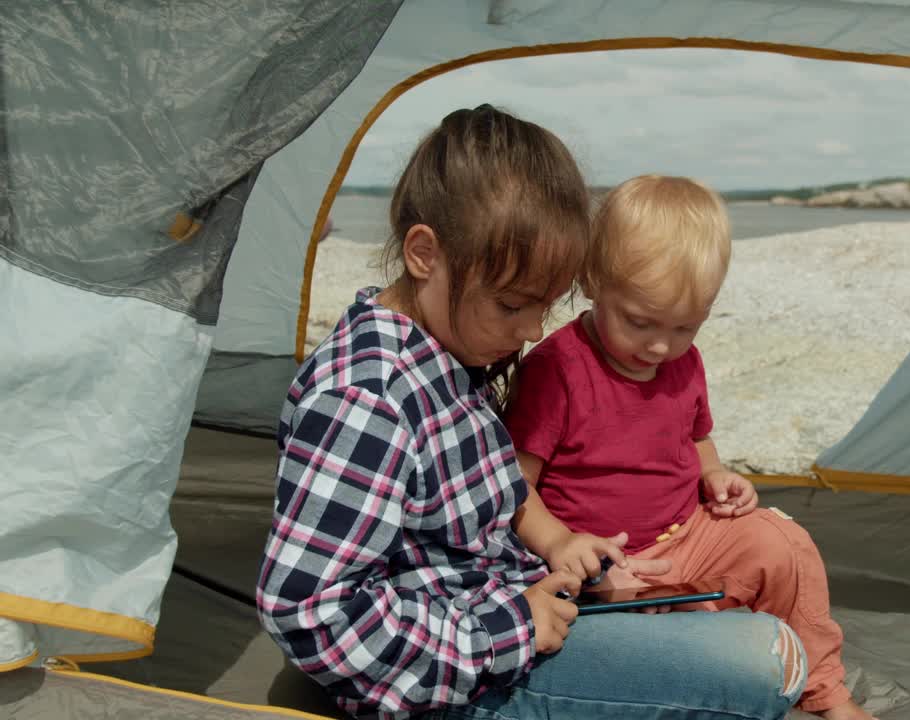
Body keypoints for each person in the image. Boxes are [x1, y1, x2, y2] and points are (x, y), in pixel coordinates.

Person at [256, 107, 806, 720]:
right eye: (513, 304)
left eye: (545, 305)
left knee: (755, 584)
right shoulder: (367, 399)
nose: (533, 330)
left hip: (522, 605)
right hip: (471, 675)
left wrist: (571, 557)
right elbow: (307, 610)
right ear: (423, 254)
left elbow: (476, 524)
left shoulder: (446, 355)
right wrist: (506, 631)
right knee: (770, 660)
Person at [503, 175, 876, 720]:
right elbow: (513, 485)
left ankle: (824, 692)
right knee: (624, 639)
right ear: (592, 281)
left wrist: (716, 474)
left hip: (687, 533)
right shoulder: (557, 370)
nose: (660, 345)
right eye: (639, 321)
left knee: (784, 545)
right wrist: (562, 543)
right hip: (597, 561)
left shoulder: (683, 361)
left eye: (686, 327)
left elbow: (695, 434)